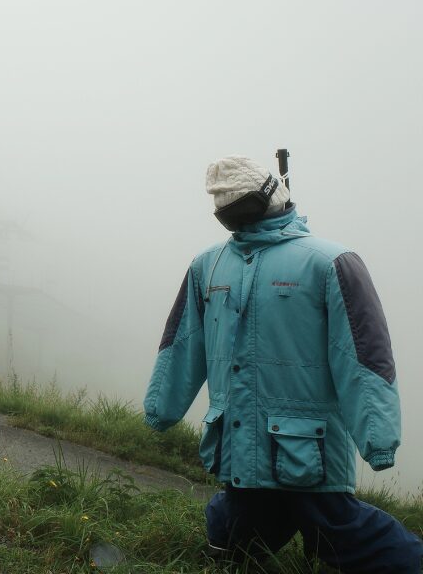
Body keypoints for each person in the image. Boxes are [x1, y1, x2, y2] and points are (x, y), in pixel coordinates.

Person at [144, 155, 422, 573]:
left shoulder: (329, 262)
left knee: (338, 528)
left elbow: (363, 354)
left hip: (307, 446)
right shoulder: (208, 265)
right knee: (232, 533)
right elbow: (182, 342)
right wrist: (160, 408)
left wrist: (378, 438)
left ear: (269, 196)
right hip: (238, 438)